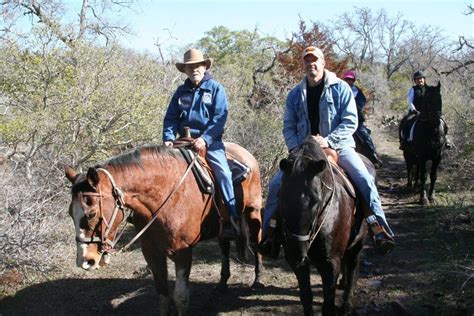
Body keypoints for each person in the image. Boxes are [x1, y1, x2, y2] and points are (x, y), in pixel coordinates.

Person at [260, 46, 395, 255]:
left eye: (315, 60)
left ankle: (379, 229)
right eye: (307, 61)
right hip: (303, 152)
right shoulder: (295, 94)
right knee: (277, 184)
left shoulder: (341, 88)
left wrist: (328, 140)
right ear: (303, 64)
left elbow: (351, 121)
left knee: (363, 178)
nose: (311, 64)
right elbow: (288, 125)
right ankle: (270, 234)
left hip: (338, 147)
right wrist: (296, 148)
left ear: (323, 63)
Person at [162, 48, 239, 239]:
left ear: (204, 67)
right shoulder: (180, 92)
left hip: (210, 143)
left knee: (223, 173)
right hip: (182, 142)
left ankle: (231, 218)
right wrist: (168, 138)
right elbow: (171, 117)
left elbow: (220, 118)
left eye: (197, 65)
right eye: (190, 67)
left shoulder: (215, 89)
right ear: (185, 70)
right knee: (159, 170)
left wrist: (204, 139)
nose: (194, 69)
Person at [399, 70, 451, 150]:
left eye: (421, 78)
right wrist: (414, 110)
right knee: (406, 122)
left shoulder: (429, 89)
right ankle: (404, 141)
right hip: (415, 112)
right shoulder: (413, 89)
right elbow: (410, 101)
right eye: (417, 79)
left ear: (424, 79)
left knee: (442, 122)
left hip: (428, 113)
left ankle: (446, 139)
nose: (420, 80)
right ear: (415, 81)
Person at [342, 70, 383, 168]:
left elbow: (360, 104)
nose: (348, 81)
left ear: (353, 81)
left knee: (365, 136)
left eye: (350, 80)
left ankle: (373, 156)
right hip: (340, 120)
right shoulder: (339, 89)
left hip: (355, 120)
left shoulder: (357, 92)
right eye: (346, 79)